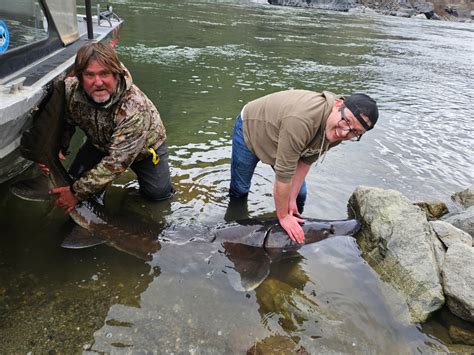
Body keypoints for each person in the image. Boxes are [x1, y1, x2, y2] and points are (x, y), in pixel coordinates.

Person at [228, 90, 379, 244]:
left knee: (300, 194)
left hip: (283, 138)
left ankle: (287, 235)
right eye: (346, 121)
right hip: (251, 128)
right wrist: (283, 216)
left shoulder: (339, 130)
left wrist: (291, 200)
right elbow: (284, 174)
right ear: (338, 105)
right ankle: (230, 234)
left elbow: (306, 160)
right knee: (240, 190)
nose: (344, 132)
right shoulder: (301, 120)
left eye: (355, 132)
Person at [40, 42, 174, 213]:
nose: (98, 82)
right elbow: (67, 120)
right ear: (80, 77)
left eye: (104, 74)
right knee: (73, 181)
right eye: (89, 75)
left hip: (145, 151)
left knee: (158, 196)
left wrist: (75, 193)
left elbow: (117, 162)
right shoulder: (70, 91)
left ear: (116, 75)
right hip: (99, 143)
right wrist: (60, 147)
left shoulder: (134, 107)